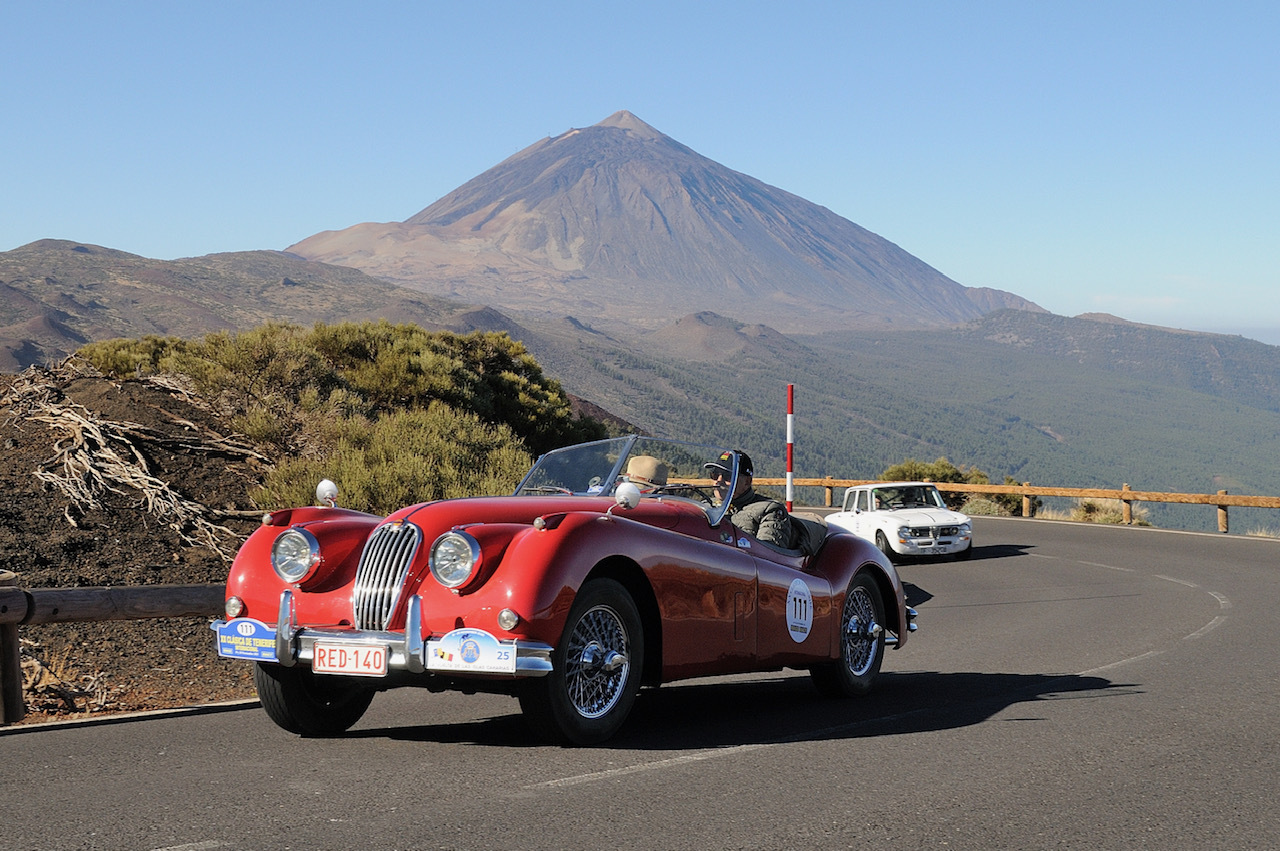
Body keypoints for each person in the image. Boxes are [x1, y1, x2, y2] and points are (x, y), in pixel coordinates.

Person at [704, 449, 794, 548]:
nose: (718, 481)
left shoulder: (769, 510)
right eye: (715, 475)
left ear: (747, 481)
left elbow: (768, 553)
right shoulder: (706, 506)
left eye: (728, 476)